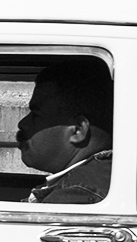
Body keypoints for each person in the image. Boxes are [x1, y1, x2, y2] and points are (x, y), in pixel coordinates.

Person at [16, 59, 113, 203]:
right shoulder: (102, 179)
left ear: (78, 130)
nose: (22, 124)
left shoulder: (76, 196)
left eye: (36, 115)